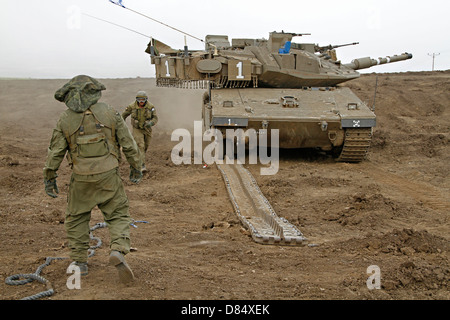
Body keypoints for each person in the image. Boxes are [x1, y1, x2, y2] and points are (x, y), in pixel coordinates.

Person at [43, 75, 143, 283]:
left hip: (81, 178)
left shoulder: (65, 119)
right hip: (109, 175)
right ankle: (118, 250)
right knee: (117, 215)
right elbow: (128, 142)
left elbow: (56, 152)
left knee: (77, 217)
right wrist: (136, 166)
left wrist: (50, 176)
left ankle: (80, 262)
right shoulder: (110, 112)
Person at [122, 91, 158, 172]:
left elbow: (155, 118)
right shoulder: (132, 106)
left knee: (145, 147)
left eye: (143, 100)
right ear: (136, 100)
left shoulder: (151, 107)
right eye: (139, 100)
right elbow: (123, 116)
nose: (141, 102)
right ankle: (142, 165)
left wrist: (151, 123)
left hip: (147, 129)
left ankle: (138, 160)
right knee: (140, 145)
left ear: (146, 100)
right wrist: (122, 126)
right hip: (137, 129)